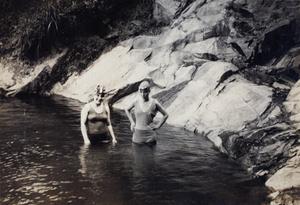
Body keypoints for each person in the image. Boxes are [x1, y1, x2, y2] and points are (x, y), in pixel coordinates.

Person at [125, 80, 168, 144]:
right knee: (136, 153)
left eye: (145, 91)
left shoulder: (154, 102)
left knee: (150, 154)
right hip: (137, 137)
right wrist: (132, 122)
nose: (143, 94)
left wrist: (158, 126)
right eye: (141, 91)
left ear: (149, 91)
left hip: (150, 137)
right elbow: (127, 110)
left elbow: (165, 115)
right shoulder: (136, 102)